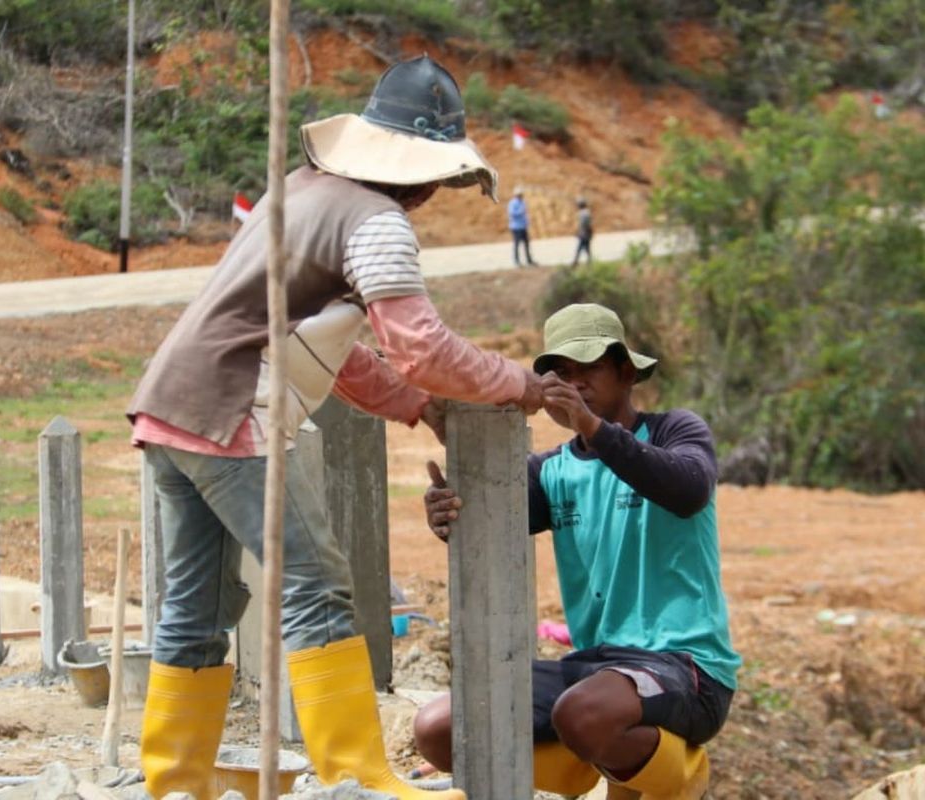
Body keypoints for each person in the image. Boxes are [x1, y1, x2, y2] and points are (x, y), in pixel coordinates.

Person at [127, 55, 543, 800]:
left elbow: (335, 349)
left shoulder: (301, 191)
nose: (434, 195)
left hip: (171, 405)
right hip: (233, 411)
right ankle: (355, 775)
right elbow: (420, 346)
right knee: (316, 584)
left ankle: (176, 778)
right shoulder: (377, 220)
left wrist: (420, 408)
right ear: (423, 172)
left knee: (199, 603)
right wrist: (517, 384)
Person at [414, 303, 740, 799]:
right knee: (438, 727)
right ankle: (586, 762)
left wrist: (593, 429)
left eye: (587, 368)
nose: (574, 383)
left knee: (583, 712)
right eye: (561, 373)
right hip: (599, 668)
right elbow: (489, 525)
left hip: (684, 666)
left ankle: (678, 774)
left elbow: (689, 489)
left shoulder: (676, 431)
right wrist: (448, 511)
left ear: (626, 372)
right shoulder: (551, 471)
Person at [508, 185, 535, 267]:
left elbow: (525, 214)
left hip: (523, 226)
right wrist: (521, 211)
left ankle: (529, 260)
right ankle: (517, 261)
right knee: (517, 244)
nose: (521, 195)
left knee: (527, 244)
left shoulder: (522, 202)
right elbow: (512, 213)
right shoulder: (512, 203)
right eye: (519, 194)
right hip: (516, 227)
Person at [572, 197, 593, 265]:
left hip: (584, 233)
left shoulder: (583, 213)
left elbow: (584, 224)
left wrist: (579, 232)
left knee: (581, 247)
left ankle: (576, 261)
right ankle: (589, 261)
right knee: (586, 247)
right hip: (585, 232)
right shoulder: (586, 212)